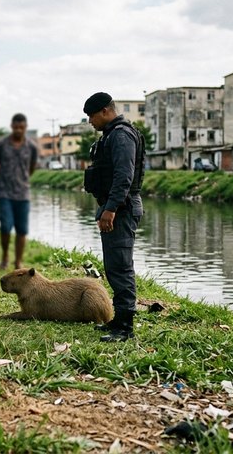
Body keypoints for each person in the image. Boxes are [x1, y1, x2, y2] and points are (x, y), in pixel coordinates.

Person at [82, 92, 145, 342]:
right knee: (114, 266)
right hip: (114, 206)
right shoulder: (112, 134)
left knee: (120, 266)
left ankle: (125, 327)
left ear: (106, 111)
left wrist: (110, 209)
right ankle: (118, 320)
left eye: (92, 116)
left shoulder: (121, 135)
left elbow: (124, 177)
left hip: (121, 208)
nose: (90, 122)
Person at [0, 113, 38, 270]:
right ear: (11, 126)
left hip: (23, 193)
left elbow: (31, 167)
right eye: (16, 127)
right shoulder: (1, 145)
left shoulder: (32, 146)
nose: (18, 130)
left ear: (25, 128)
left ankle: (18, 261)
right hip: (4, 192)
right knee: (5, 226)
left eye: (21, 127)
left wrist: (22, 179)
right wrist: (3, 179)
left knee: (22, 229)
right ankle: (5, 256)